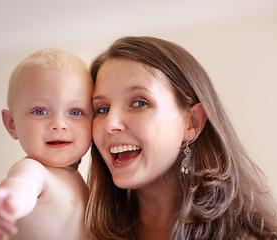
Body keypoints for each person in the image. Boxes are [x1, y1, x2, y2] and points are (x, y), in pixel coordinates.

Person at [86, 36, 277, 240]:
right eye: (102, 109)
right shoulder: (80, 230)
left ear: (192, 122)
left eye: (139, 103)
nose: (110, 124)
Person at [0, 49, 93, 240]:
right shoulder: (34, 170)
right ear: (12, 124)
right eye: (40, 111)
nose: (59, 124)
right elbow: (22, 186)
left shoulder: (76, 178)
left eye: (75, 112)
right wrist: (8, 203)